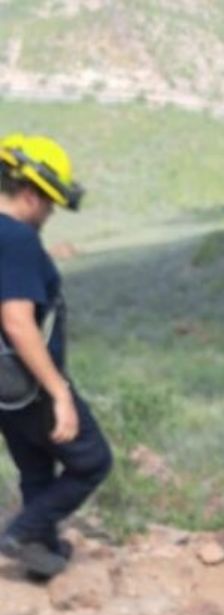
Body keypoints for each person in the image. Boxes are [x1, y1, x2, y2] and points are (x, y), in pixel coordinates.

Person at [0, 134, 112, 579]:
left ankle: (41, 557)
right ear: (30, 195)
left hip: (5, 388)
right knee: (92, 460)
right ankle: (23, 533)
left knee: (36, 466)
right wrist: (59, 392)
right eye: (49, 205)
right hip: (26, 383)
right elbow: (17, 321)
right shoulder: (17, 238)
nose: (48, 215)